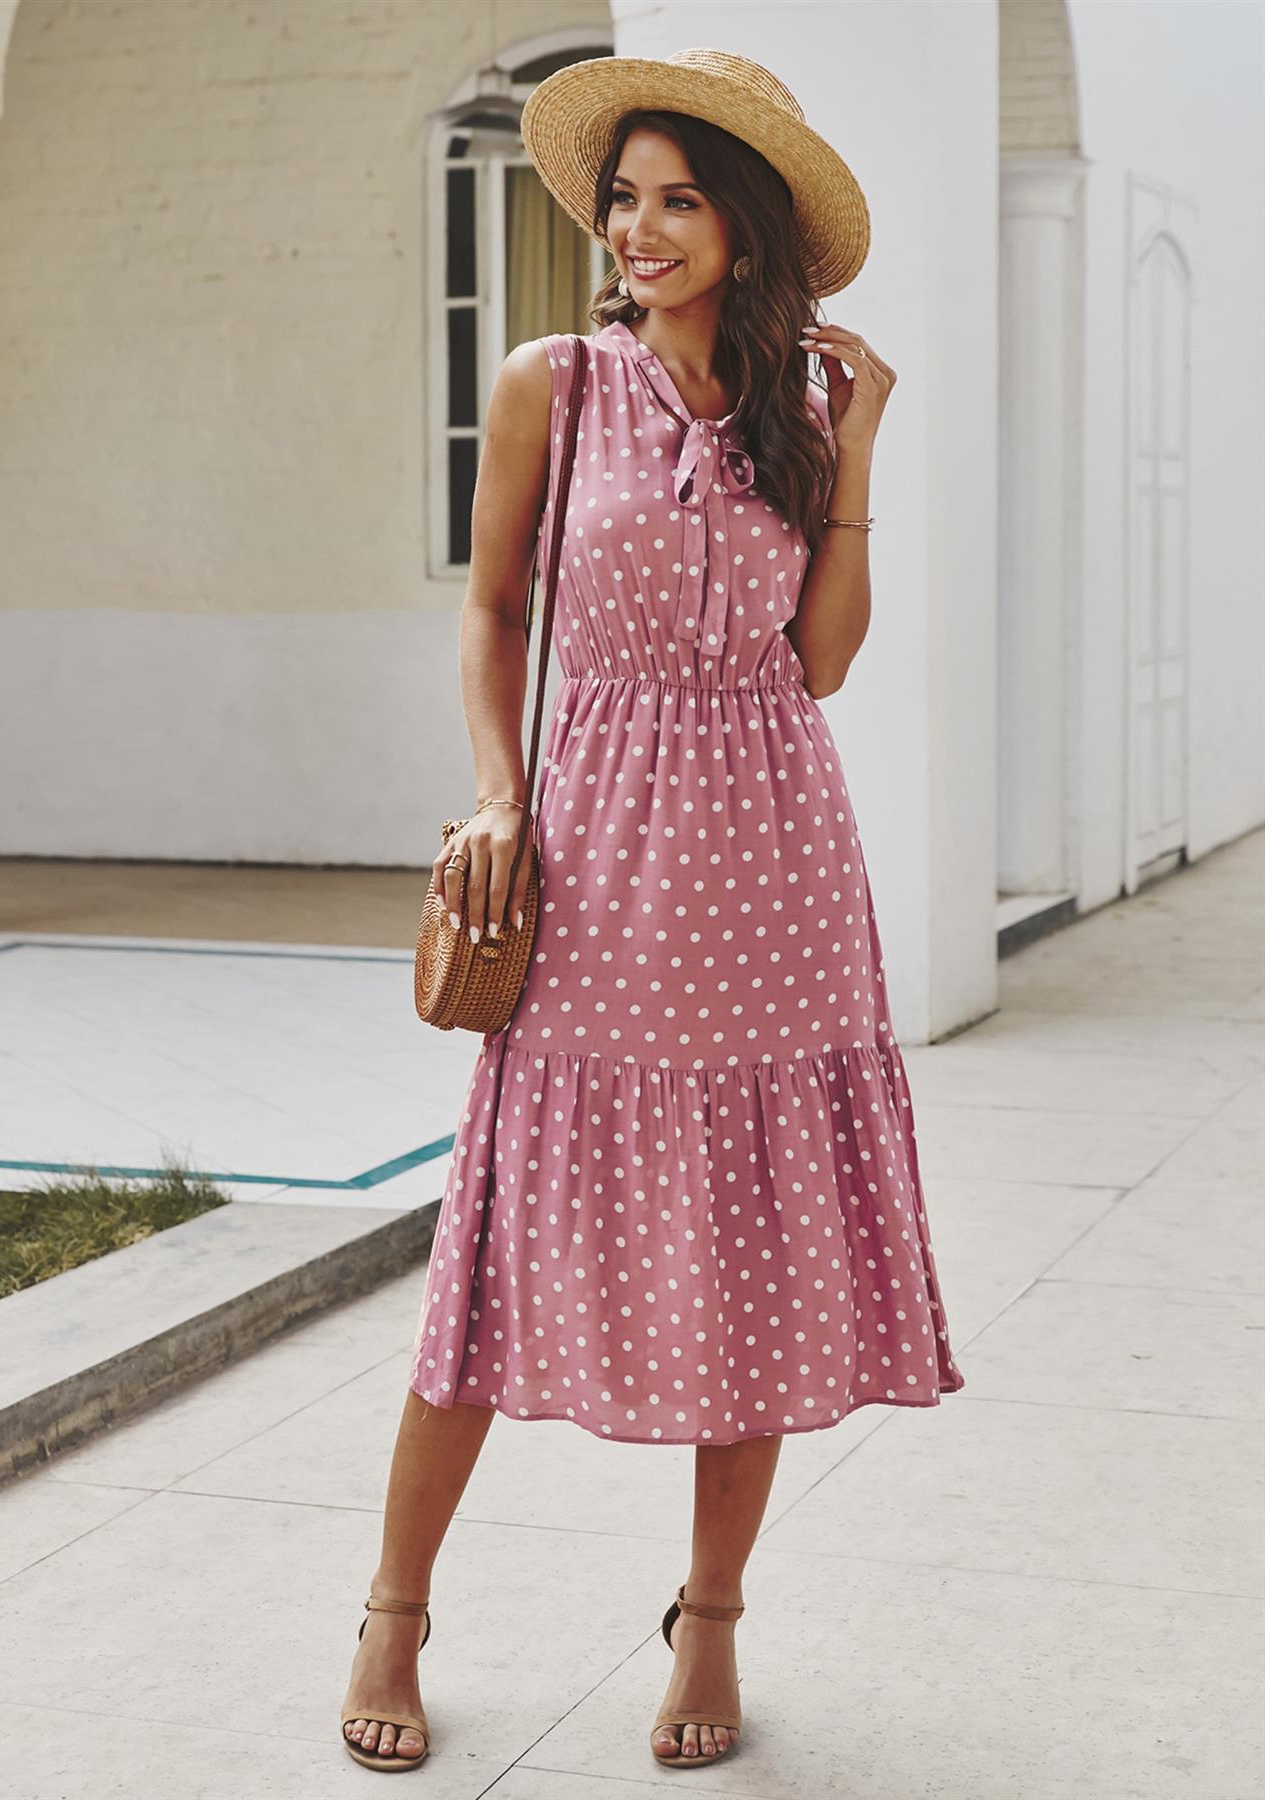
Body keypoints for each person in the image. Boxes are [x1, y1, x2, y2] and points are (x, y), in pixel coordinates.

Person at [340, 47, 965, 1775]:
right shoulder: (557, 381)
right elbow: (491, 616)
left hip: (774, 858)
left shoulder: (807, 407)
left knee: (758, 1252)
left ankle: (710, 1623)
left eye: (679, 199)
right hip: (599, 847)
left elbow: (820, 663)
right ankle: (396, 1602)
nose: (639, 229)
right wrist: (495, 793)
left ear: (749, 227)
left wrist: (863, 445)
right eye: (625, 199)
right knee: (501, 1236)